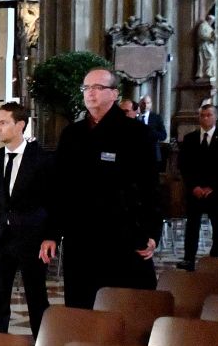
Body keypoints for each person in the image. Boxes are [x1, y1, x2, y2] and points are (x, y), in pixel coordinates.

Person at [41, 68, 161, 309]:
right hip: (80, 236)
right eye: (86, 88)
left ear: (114, 94)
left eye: (97, 88)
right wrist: (51, 233)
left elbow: (150, 187)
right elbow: (59, 188)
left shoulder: (137, 134)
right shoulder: (72, 134)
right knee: (82, 309)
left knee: (123, 309)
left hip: (123, 235)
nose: (90, 93)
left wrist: (151, 233)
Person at [0, 103, 51, 336]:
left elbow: (51, 201)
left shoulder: (41, 159)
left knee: (36, 296)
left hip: (31, 237)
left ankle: (42, 344)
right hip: (0, 237)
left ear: (20, 125)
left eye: (3, 123)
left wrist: (49, 236)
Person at [177, 104, 218, 270]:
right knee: (192, 226)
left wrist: (213, 187)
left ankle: (216, 259)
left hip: (216, 191)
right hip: (195, 191)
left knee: (217, 227)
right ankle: (189, 258)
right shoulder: (190, 139)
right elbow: (184, 166)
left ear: (216, 117)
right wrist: (194, 186)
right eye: (202, 115)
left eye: (209, 115)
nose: (205, 118)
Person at [138, 94, 168, 165]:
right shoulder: (135, 117)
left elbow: (163, 136)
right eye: (143, 103)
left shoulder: (157, 118)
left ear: (151, 104)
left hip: (153, 156)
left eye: (148, 103)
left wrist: (151, 132)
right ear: (139, 104)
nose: (145, 105)